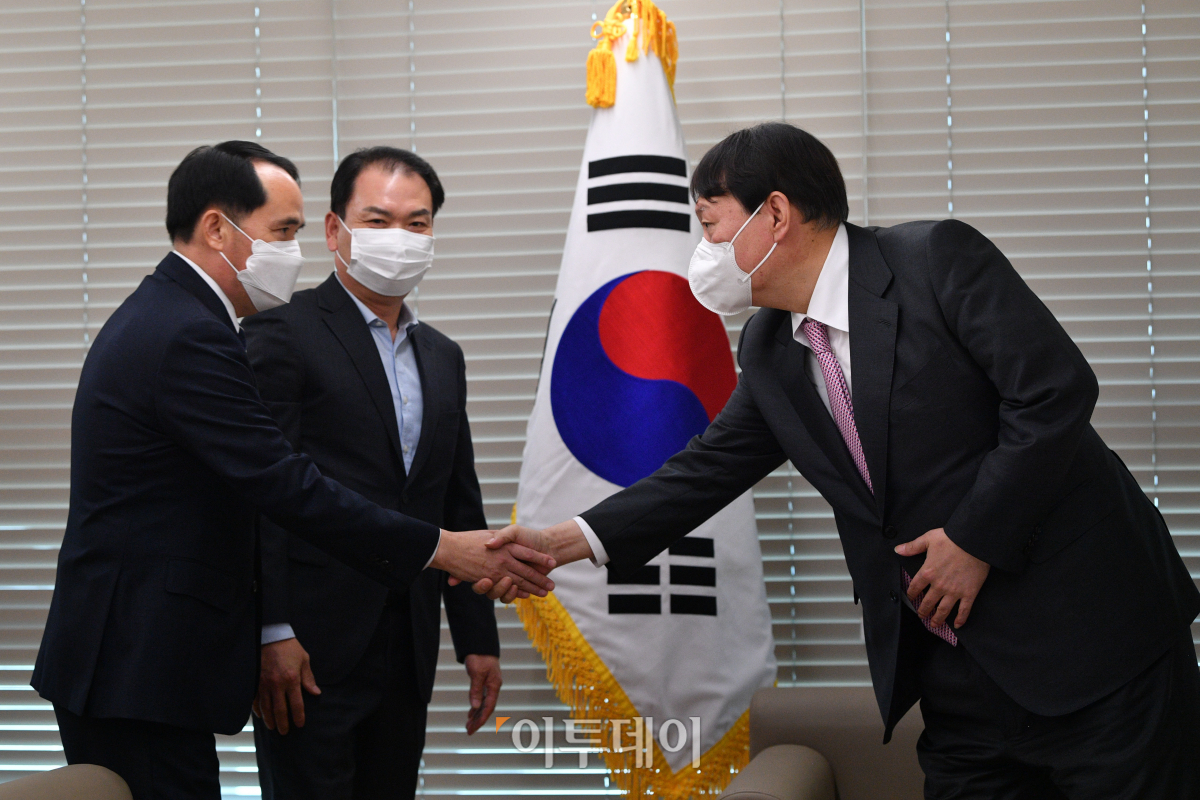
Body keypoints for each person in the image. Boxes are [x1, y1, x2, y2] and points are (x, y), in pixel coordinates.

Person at [475, 123, 1200, 797]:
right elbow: (705, 470)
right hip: (954, 673)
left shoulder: (934, 260)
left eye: (710, 224)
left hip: (1095, 647)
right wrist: (559, 542)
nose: (703, 249)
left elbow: (1053, 393)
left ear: (775, 214)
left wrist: (976, 537)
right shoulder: (769, 347)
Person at [31, 141, 552, 800]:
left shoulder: (178, 315)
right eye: (282, 231)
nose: (292, 252)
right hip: (140, 659)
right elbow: (284, 484)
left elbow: (445, 489)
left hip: (151, 660)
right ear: (218, 228)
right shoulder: (191, 332)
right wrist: (443, 549)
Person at [242, 147, 501, 799]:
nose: (399, 238)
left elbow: (456, 500)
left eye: (417, 223)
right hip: (309, 648)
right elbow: (265, 496)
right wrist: (271, 630)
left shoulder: (443, 356)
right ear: (335, 230)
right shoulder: (281, 332)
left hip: (408, 643)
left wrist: (479, 639)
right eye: (378, 221)